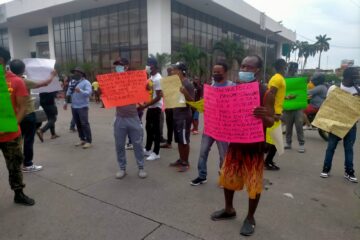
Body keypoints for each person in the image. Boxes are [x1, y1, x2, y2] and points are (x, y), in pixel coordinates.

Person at [211, 55, 275, 236]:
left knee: (254, 184)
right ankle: (229, 209)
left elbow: (271, 122)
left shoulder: (266, 92)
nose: (244, 70)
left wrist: (264, 116)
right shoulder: (235, 88)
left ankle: (250, 217)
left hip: (254, 146)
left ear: (257, 70)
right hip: (236, 142)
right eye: (243, 66)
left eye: (248, 67)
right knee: (228, 178)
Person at [0, 47, 35, 205]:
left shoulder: (16, 81)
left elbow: (22, 108)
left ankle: (18, 194)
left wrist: (10, 125)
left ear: (2, 60)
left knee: (14, 165)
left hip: (10, 134)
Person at [9, 59, 57, 172]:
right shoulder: (22, 81)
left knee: (16, 140)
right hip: (26, 114)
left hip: (13, 115)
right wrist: (52, 75)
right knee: (28, 140)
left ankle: (16, 163)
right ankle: (28, 164)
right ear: (23, 69)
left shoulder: (7, 80)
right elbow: (44, 83)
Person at [190, 62, 231, 185]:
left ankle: (224, 177)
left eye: (219, 72)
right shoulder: (211, 86)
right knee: (203, 152)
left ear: (225, 72)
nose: (216, 74)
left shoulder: (232, 86)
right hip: (209, 127)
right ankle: (202, 176)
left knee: (224, 155)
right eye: (214, 72)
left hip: (223, 129)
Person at [320, 67, 359, 183]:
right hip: (336, 123)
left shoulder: (358, 90)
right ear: (348, 76)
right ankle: (326, 169)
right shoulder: (334, 88)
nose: (357, 78)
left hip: (351, 125)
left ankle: (349, 172)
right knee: (331, 147)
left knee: (349, 149)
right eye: (355, 76)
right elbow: (327, 105)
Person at [111, 58, 147, 179]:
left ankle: (141, 167)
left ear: (126, 67)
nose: (117, 68)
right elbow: (107, 95)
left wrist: (144, 97)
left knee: (137, 144)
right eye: (116, 66)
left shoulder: (134, 80)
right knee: (119, 145)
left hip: (133, 117)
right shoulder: (113, 81)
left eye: (120, 66)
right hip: (120, 118)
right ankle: (122, 168)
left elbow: (142, 98)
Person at [168, 62, 195, 172]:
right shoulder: (176, 83)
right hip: (176, 115)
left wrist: (185, 92)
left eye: (174, 70)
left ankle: (186, 162)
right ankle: (181, 159)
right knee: (179, 140)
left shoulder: (187, 83)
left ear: (180, 71)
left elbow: (192, 102)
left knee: (184, 140)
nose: (172, 72)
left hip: (184, 116)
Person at [264, 59, 287, 170]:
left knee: (273, 140)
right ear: (283, 67)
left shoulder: (277, 78)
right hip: (274, 113)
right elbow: (270, 94)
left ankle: (268, 161)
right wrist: (272, 114)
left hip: (276, 112)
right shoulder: (278, 78)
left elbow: (276, 94)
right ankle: (267, 162)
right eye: (286, 67)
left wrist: (286, 97)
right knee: (275, 140)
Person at [138, 57, 163, 161]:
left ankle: (156, 152)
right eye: (147, 64)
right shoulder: (150, 78)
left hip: (156, 108)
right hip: (150, 107)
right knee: (149, 128)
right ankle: (148, 149)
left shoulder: (158, 79)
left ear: (154, 66)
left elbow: (158, 97)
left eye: (149, 64)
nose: (147, 66)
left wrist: (145, 105)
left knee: (156, 130)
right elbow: (148, 92)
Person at [63, 67, 93, 149]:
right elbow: (68, 92)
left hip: (83, 106)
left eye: (77, 72)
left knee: (85, 124)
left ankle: (89, 141)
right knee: (78, 124)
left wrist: (80, 90)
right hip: (74, 106)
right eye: (74, 72)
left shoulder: (86, 82)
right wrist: (65, 102)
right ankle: (82, 139)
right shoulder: (72, 82)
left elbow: (88, 93)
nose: (75, 74)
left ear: (82, 74)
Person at [282, 61, 306, 153]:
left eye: (295, 68)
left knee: (299, 125)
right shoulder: (284, 79)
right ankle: (288, 143)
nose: (293, 69)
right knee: (288, 126)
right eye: (291, 67)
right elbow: (282, 92)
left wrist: (295, 95)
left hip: (297, 107)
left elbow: (302, 92)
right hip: (288, 106)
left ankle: (301, 144)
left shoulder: (299, 79)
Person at [161, 66, 174, 149]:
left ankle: (182, 143)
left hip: (175, 106)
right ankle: (169, 142)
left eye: (170, 71)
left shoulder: (177, 80)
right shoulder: (166, 80)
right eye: (168, 71)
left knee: (175, 125)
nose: (169, 73)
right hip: (168, 105)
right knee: (169, 124)